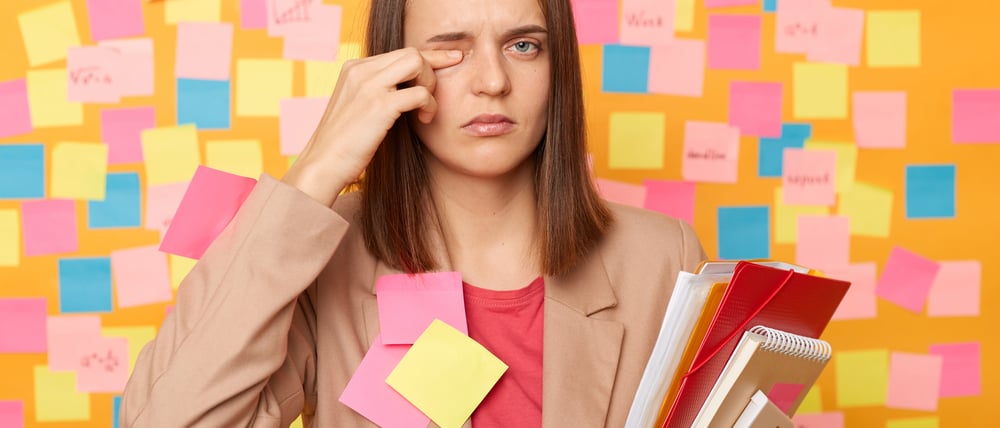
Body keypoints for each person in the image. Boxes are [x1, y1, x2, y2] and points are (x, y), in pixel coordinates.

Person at [120, 0, 705, 425]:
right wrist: (315, 172)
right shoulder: (317, 260)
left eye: (523, 45)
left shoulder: (665, 257)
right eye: (450, 49)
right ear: (393, 71)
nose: (493, 82)